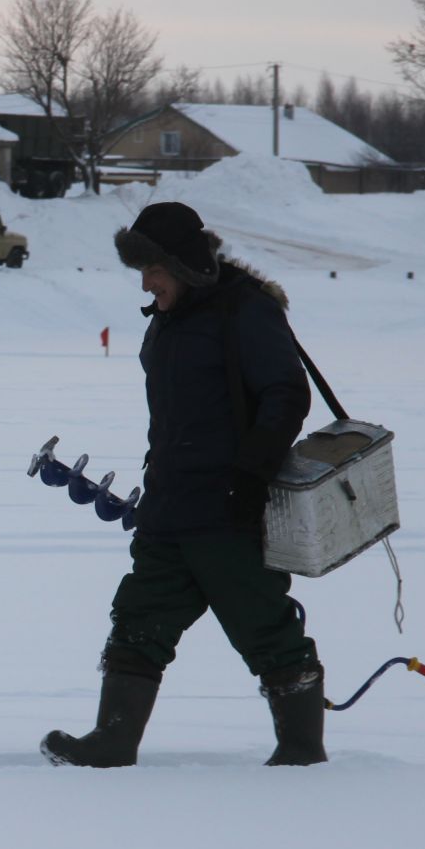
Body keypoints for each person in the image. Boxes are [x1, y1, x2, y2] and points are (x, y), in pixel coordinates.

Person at [42, 202, 327, 768]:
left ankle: (301, 752)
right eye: (141, 271)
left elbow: (287, 395)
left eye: (153, 271)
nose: (145, 284)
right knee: (138, 618)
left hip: (227, 511)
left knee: (265, 628)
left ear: (185, 265)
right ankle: (113, 742)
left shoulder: (244, 310)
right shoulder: (168, 318)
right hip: (169, 507)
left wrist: (249, 475)